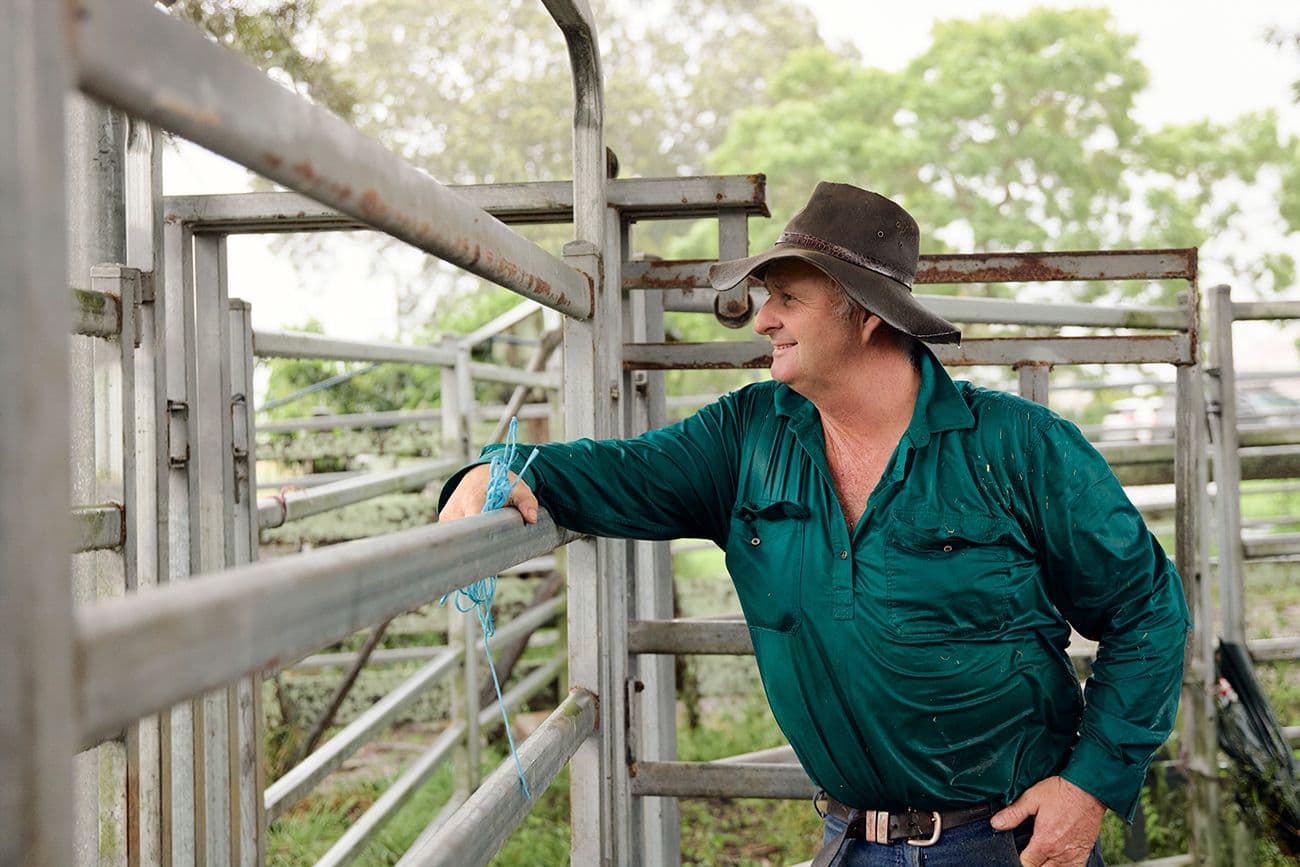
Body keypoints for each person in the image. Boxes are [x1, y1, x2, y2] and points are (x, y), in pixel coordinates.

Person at [439, 182, 1190, 867]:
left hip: (1006, 842)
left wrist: (1089, 785)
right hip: (849, 843)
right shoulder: (746, 437)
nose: (762, 317)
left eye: (787, 299)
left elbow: (1146, 608)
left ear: (865, 315)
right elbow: (612, 472)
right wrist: (498, 471)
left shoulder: (1017, 447)